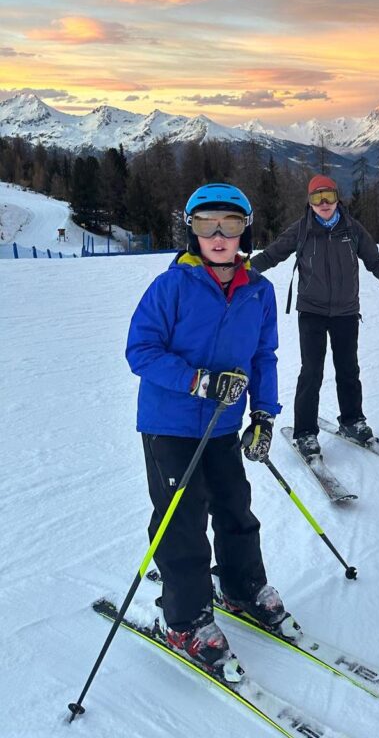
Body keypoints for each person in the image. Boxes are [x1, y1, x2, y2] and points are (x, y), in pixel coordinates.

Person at [126, 183, 283, 678]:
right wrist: (198, 381)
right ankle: (186, 618)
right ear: (191, 231)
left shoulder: (259, 289)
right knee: (181, 518)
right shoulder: (170, 286)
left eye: (230, 225)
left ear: (245, 231)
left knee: (235, 504)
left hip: (222, 425)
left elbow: (262, 357)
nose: (218, 235)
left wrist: (263, 415)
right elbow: (141, 352)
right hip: (169, 425)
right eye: (206, 224)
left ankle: (240, 587)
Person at [251, 174, 379, 459]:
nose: (324, 203)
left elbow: (375, 261)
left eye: (328, 197)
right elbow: (271, 255)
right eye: (317, 198)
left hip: (346, 312)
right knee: (311, 372)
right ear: (310, 202)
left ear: (338, 198)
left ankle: (352, 421)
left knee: (349, 369)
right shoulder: (301, 229)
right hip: (311, 311)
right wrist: (239, 273)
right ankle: (305, 433)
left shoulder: (352, 228)